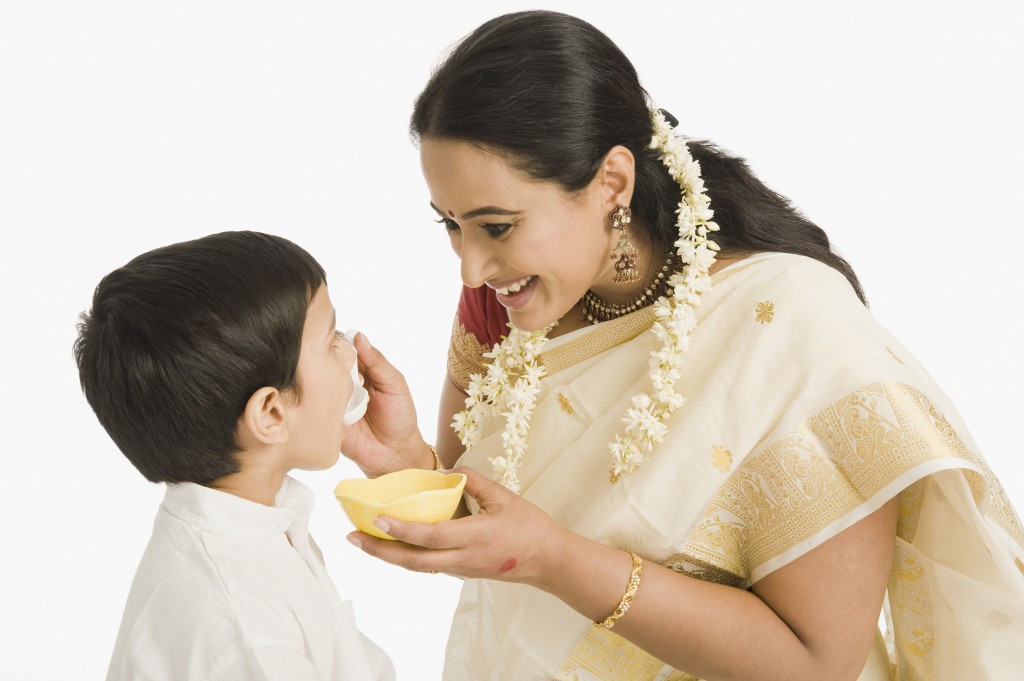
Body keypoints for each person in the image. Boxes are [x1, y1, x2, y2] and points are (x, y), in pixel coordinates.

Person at [340, 10, 1024, 681]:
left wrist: (559, 560)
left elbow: (818, 662)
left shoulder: (791, 327)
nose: (471, 266)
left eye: (496, 226)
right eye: (452, 225)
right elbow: (488, 518)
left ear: (612, 182)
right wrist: (410, 464)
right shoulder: (504, 301)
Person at [74, 231, 394, 681]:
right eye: (330, 340)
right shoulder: (247, 626)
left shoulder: (258, 520)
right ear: (270, 412)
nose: (350, 353)